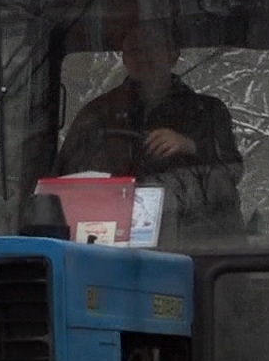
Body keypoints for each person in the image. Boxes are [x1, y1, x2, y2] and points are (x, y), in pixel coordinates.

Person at [55, 22, 244, 239]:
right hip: (111, 239)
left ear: (173, 55)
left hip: (196, 238)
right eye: (135, 50)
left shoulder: (208, 111)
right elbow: (67, 181)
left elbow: (233, 171)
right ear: (124, 59)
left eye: (152, 48)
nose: (143, 57)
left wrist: (191, 146)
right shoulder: (97, 114)